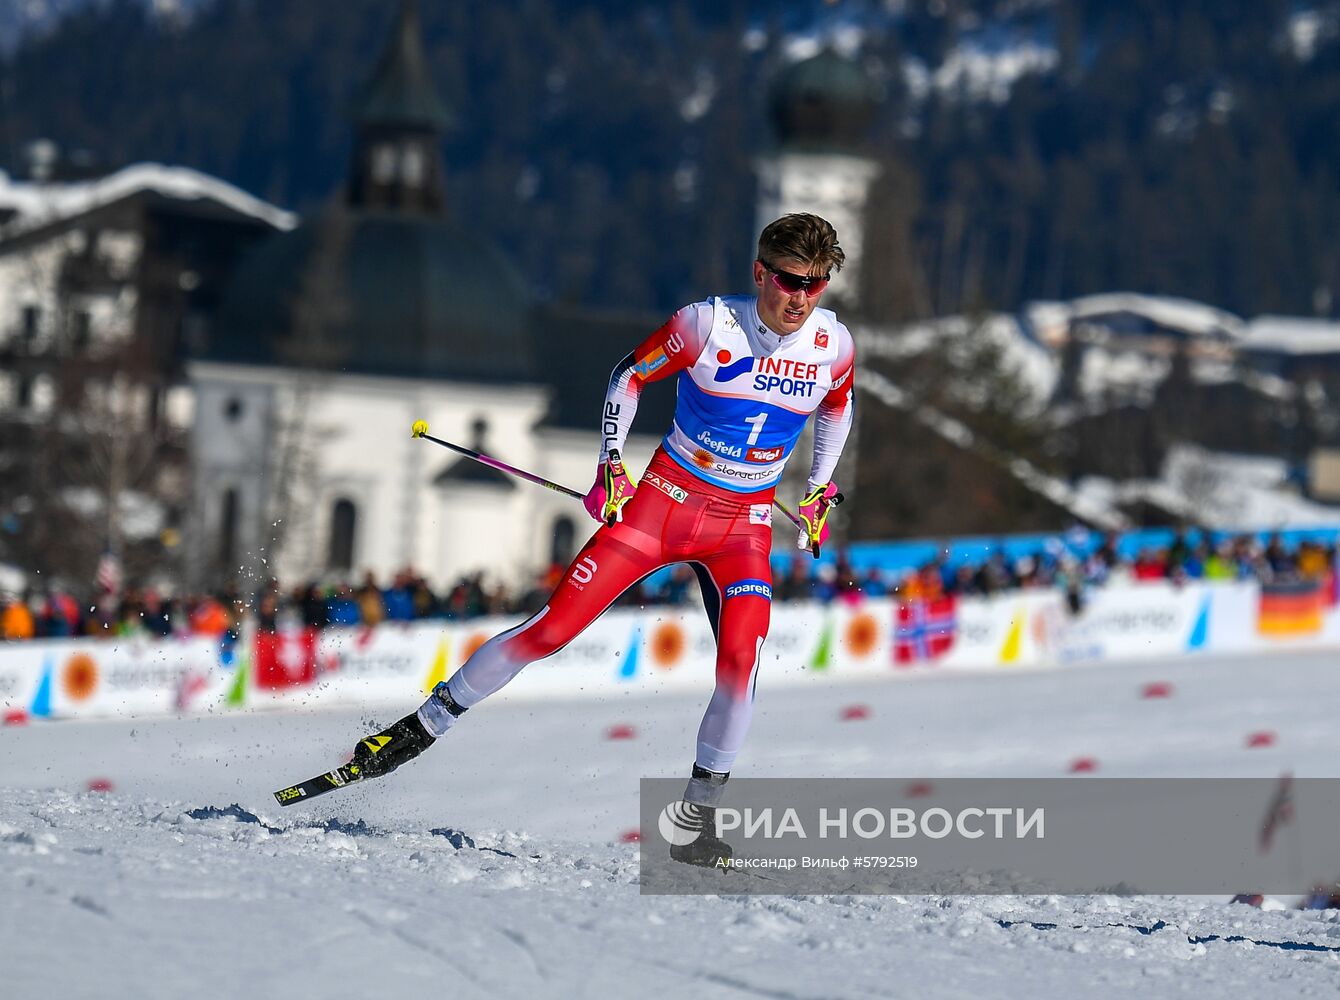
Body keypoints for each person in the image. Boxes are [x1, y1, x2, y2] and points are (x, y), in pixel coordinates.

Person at [346, 214, 856, 867]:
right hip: (665, 503)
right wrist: (611, 463)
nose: (801, 298)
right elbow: (628, 375)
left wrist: (819, 487)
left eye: (816, 285)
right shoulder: (706, 325)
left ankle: (697, 825)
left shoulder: (833, 345)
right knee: (549, 632)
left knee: (740, 666)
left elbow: (839, 405)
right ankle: (415, 732)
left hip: (744, 525)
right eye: (789, 280)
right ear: (761, 272)